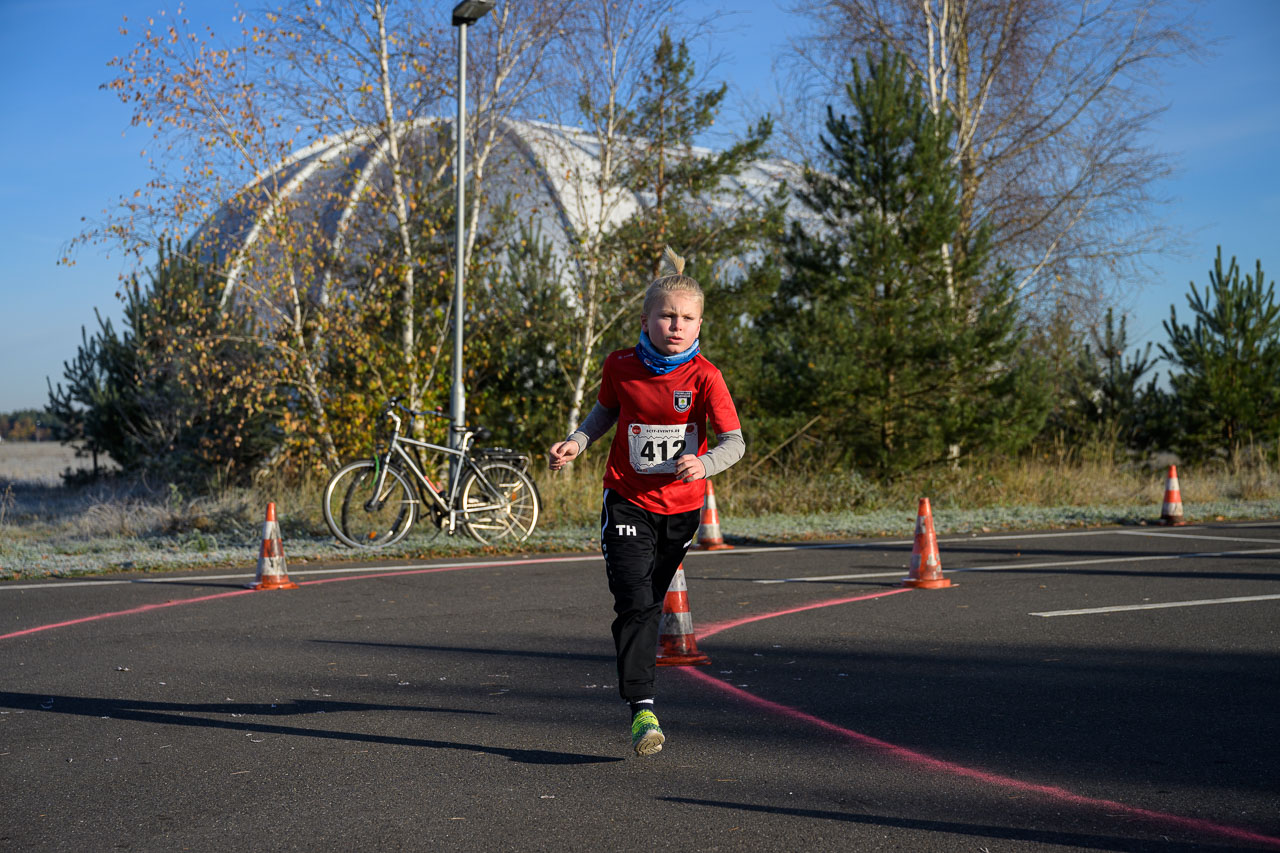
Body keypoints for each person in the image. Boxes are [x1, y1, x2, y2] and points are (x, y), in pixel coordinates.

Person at [548, 246, 745, 757]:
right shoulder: (620, 364)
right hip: (627, 499)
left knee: (650, 603)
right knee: (633, 601)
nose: (676, 326)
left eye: (687, 318)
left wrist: (705, 464)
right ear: (646, 320)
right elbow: (605, 412)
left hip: (681, 509)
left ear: (699, 324)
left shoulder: (706, 376)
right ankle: (642, 708)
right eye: (666, 316)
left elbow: (735, 442)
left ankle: (640, 692)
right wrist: (577, 442)